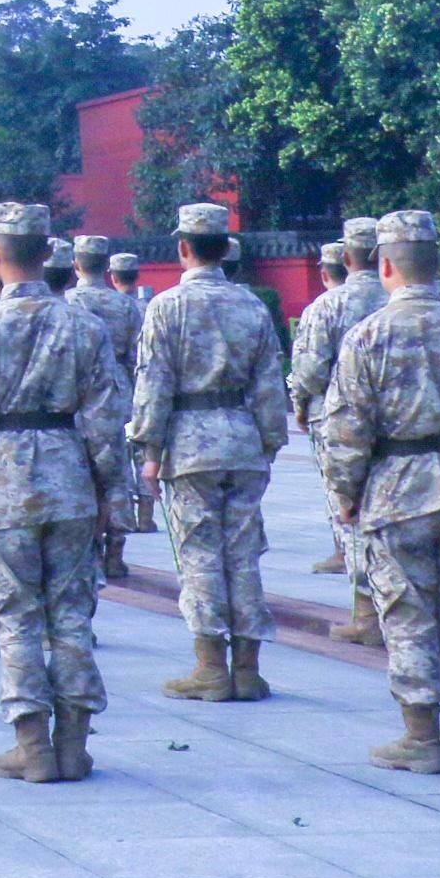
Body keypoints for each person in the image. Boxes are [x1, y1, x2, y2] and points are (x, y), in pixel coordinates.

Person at [320, 208, 440, 775]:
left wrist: (346, 493)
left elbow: (348, 428)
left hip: (397, 490)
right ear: (438, 266)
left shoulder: (368, 337)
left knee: (407, 616)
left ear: (386, 266)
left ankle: (419, 737)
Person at [0, 202, 126, 784]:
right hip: (69, 475)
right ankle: (73, 743)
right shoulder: (84, 328)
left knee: (15, 616)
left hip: (1, 483)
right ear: (48, 253)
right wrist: (106, 492)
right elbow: (105, 421)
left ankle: (31, 745)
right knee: (71, 612)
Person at [127, 202, 286, 704]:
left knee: (199, 555)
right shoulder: (252, 305)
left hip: (190, 440)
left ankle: (210, 665)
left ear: (183, 248)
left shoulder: (167, 307)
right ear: (226, 249)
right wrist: (268, 441)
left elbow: (155, 380)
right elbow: (269, 383)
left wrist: (150, 448)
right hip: (241, 437)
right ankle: (248, 667)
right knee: (242, 554)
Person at [288, 217, 388, 634]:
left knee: (347, 508)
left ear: (346, 257)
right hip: (396, 421)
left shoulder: (328, 306)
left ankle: (365, 610)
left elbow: (309, 368)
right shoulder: (395, 297)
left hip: (337, 417)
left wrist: (298, 401)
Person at [61, 238, 141, 579]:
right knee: (116, 473)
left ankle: (87, 547)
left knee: (81, 473)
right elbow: (138, 358)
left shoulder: (67, 302)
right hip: (117, 390)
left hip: (78, 394)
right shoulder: (124, 306)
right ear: (104, 265)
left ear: (76, 265)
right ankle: (116, 548)